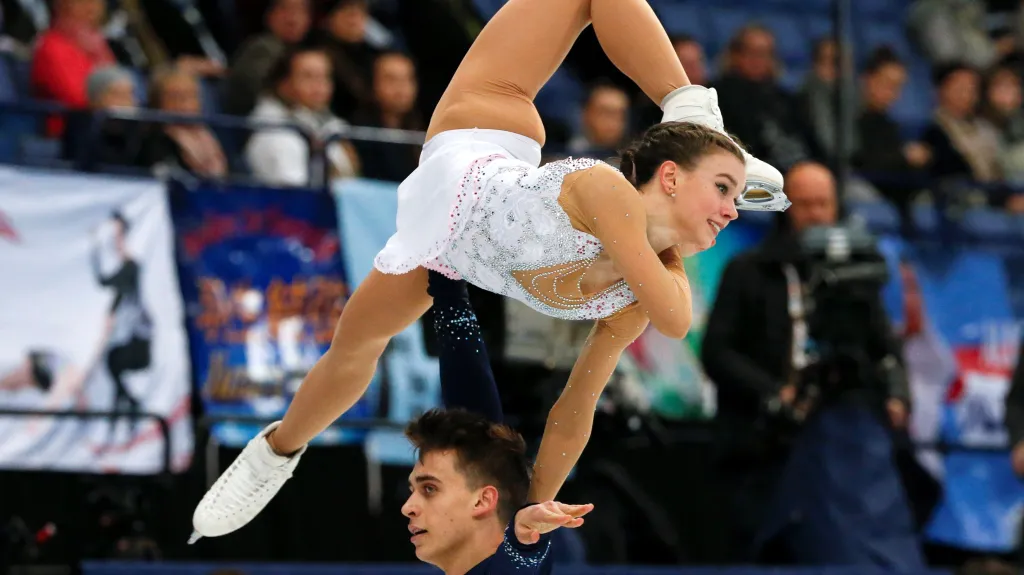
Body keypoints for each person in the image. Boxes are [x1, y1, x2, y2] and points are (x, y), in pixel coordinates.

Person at [191, 0, 788, 540]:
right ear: (670, 176)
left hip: (460, 250)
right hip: (482, 128)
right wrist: (695, 163)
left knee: (358, 343)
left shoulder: (643, 286)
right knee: (355, 345)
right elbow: (675, 319)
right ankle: (275, 453)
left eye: (737, 195)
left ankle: (703, 132)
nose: (734, 212)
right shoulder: (607, 193)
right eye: (723, 189)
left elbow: (574, 410)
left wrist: (532, 504)